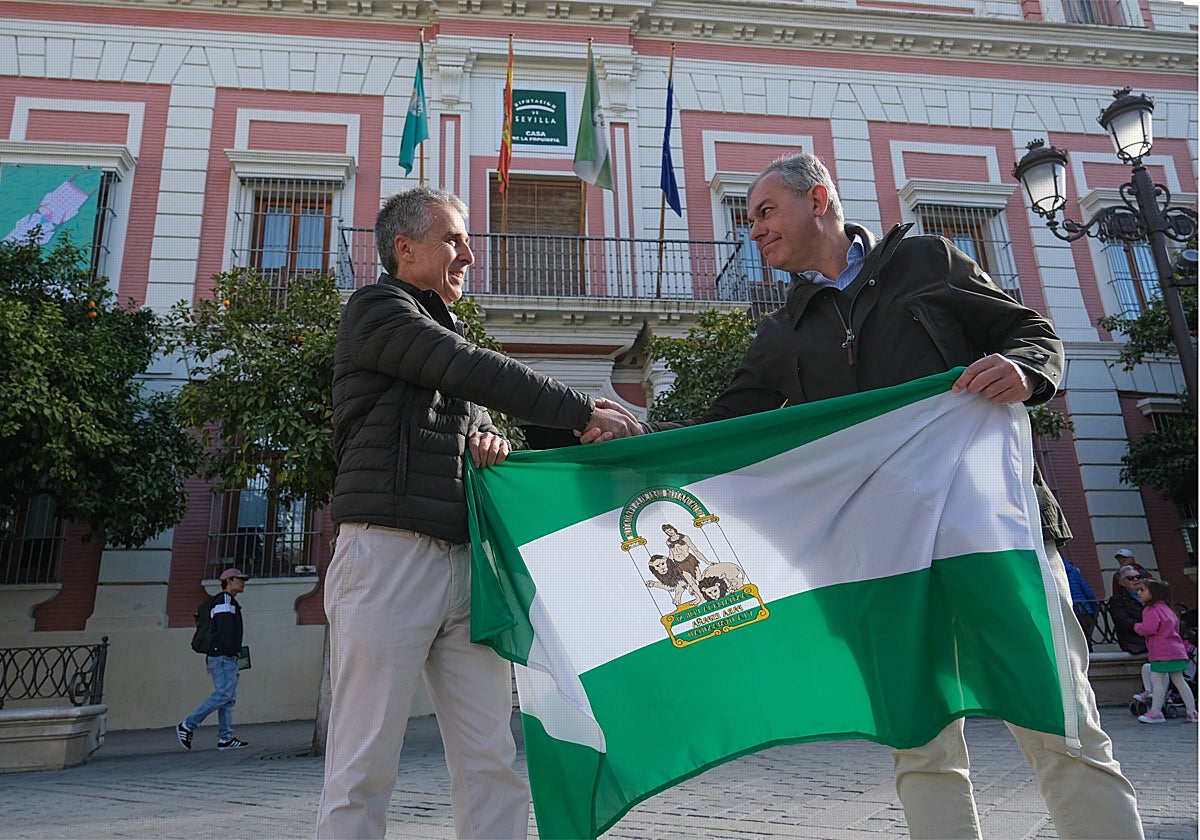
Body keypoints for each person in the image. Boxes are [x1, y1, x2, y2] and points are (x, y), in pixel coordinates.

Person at [601, 152, 1143, 839]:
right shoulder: (782, 331)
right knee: (920, 747)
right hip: (881, 561)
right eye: (749, 219)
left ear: (820, 198)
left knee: (1060, 723)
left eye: (766, 211)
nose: (754, 231)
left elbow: (1032, 333)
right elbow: (720, 434)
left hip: (993, 543)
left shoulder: (928, 262)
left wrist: (1027, 369)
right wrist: (641, 433)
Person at [315, 186, 640, 839]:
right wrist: (581, 413)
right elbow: (464, 367)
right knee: (362, 768)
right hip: (387, 558)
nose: (469, 253)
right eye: (452, 240)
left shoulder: (443, 337)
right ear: (404, 249)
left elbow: (474, 412)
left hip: (468, 568)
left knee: (492, 758)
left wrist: (490, 441)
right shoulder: (377, 310)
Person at [176, 568, 251, 751]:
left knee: (228, 698)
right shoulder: (224, 600)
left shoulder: (228, 601)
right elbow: (225, 630)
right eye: (239, 579)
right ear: (229, 580)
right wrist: (229, 651)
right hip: (222, 656)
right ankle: (187, 725)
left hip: (225, 656)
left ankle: (225, 739)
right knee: (224, 694)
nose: (243, 583)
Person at [1133, 578, 1198, 723]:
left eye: (1142, 590)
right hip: (1176, 651)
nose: (1139, 593)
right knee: (1180, 680)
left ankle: (1156, 711)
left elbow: (1149, 628)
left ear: (1153, 593)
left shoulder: (1151, 610)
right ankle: (1192, 711)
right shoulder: (1168, 610)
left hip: (1161, 652)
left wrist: (1137, 627)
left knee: (1157, 681)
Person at [1110, 562, 1149, 655]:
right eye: (1130, 578)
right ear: (1121, 583)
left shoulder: (1149, 595)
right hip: (1135, 642)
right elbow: (1122, 621)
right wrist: (1144, 626)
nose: (1136, 580)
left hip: (1155, 638)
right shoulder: (1117, 600)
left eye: (1138, 577)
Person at [1063, 557, 1099, 649]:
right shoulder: (1073, 571)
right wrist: (1094, 610)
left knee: (1073, 644)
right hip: (1084, 610)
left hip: (1067, 612)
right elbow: (1088, 592)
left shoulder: (1051, 572)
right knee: (1086, 640)